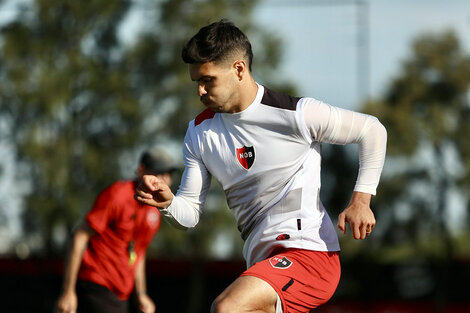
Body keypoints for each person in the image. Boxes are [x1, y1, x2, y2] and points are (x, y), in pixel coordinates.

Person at [135, 20, 387, 313]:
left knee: (227, 307)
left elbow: (371, 130)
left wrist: (361, 200)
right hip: (264, 264)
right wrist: (167, 203)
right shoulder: (199, 133)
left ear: (239, 69)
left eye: (208, 80)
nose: (200, 91)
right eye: (196, 83)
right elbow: (189, 214)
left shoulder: (295, 114)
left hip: (310, 255)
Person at [56, 147, 176, 313]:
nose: (164, 179)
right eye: (159, 173)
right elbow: (80, 236)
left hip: (120, 292)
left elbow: (138, 253)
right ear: (141, 171)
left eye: (168, 174)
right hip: (96, 282)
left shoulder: (154, 211)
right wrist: (68, 291)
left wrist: (141, 294)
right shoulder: (117, 195)